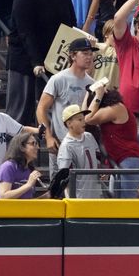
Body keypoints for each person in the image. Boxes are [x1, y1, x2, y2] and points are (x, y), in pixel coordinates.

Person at [7, 0, 76, 126]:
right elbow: (25, 32)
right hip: (25, 61)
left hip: (54, 59)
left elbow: (71, 24)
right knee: (21, 111)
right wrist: (36, 62)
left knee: (53, 109)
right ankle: (14, 150)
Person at [36, 37, 96, 175]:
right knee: (58, 186)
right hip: (61, 142)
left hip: (83, 142)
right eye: (84, 53)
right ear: (73, 55)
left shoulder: (91, 82)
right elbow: (41, 109)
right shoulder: (58, 79)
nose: (89, 57)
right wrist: (49, 137)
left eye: (90, 53)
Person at [81, 81, 139, 198]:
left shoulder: (117, 108)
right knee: (115, 203)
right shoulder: (107, 112)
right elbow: (83, 116)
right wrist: (88, 93)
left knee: (125, 204)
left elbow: (88, 118)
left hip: (130, 161)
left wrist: (98, 95)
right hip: (120, 163)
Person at [0, 132, 44, 199]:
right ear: (22, 147)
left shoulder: (29, 169)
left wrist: (45, 197)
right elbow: (3, 196)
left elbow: (27, 201)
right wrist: (28, 185)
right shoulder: (8, 167)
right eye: (33, 143)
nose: (38, 147)